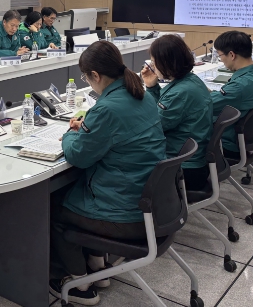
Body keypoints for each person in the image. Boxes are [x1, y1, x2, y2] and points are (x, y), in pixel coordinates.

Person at [50, 41, 166, 305]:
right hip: (147, 202)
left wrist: (70, 134)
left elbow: (78, 156)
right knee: (84, 194)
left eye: (86, 77)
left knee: (56, 208)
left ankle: (80, 283)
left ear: (95, 75)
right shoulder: (143, 96)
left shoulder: (107, 108)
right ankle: (98, 266)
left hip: (124, 212)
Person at [141, 35, 213, 189]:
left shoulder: (180, 93)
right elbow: (160, 112)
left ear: (166, 62)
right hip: (190, 162)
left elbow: (152, 127)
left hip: (183, 171)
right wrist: (152, 87)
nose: (152, 66)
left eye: (154, 62)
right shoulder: (191, 80)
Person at [211, 31, 253, 160]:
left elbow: (206, 105)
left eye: (220, 55)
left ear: (231, 55)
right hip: (248, 139)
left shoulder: (239, 87)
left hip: (226, 143)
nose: (221, 60)